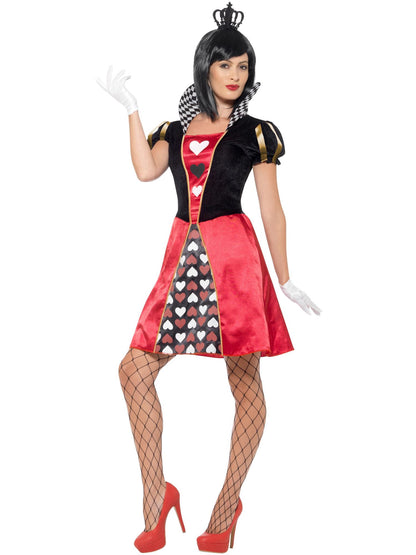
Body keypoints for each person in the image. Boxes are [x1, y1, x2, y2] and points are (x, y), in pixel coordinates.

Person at [97, 2, 321, 552]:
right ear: (206, 68)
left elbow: (272, 210)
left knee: (243, 381)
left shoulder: (256, 133)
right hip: (181, 260)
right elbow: (146, 171)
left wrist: (285, 278)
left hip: (234, 261)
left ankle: (227, 505)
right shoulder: (174, 129)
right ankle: (157, 497)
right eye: (225, 65)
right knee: (133, 371)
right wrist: (131, 109)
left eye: (243, 66)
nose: (235, 75)